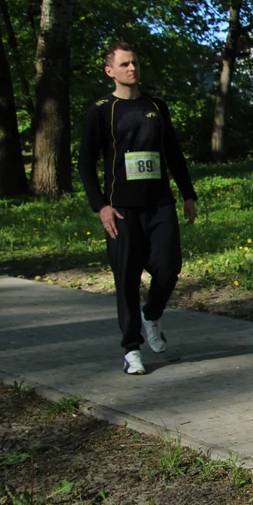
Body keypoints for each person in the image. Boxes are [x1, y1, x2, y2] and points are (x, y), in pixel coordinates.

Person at [78, 42, 197, 375]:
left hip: (160, 204)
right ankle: (131, 349)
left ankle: (153, 314)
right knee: (126, 280)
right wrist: (100, 206)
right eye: (125, 64)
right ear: (110, 71)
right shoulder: (101, 109)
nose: (132, 69)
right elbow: (85, 164)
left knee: (169, 266)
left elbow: (173, 152)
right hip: (121, 210)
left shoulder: (156, 106)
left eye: (135, 63)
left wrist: (188, 194)